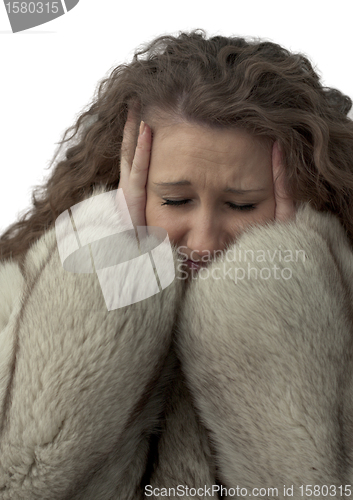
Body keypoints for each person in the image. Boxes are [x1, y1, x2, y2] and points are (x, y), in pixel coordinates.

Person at [0, 29, 353, 499]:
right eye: (176, 199)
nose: (204, 240)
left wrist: (284, 322)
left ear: (306, 199)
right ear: (121, 187)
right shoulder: (14, 318)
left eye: (243, 205)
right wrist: (113, 282)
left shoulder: (339, 321)